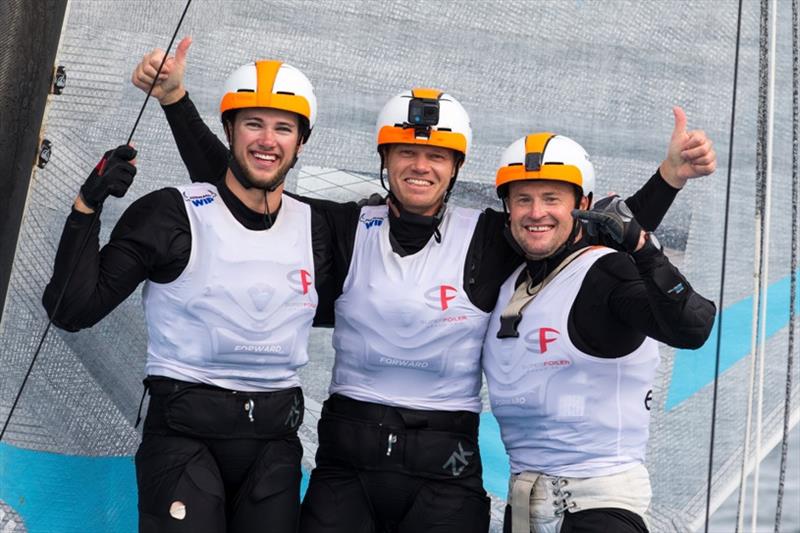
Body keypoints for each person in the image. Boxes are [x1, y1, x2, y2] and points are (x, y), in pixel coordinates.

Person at [131, 39, 716, 533]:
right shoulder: (338, 227)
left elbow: (575, 232)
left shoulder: (492, 236)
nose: (421, 165)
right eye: (407, 152)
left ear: (455, 167)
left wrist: (666, 182)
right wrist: (177, 102)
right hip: (347, 466)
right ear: (386, 160)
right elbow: (240, 189)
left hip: (444, 470)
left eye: (436, 155)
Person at [43, 58, 336, 532]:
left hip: (274, 443)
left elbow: (248, 191)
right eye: (252, 124)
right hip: (182, 436)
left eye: (283, 128)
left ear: (301, 141)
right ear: (228, 130)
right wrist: (87, 206)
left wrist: (175, 100)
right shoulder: (170, 214)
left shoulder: (319, 227)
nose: (267, 139)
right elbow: (72, 310)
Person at [481, 133, 717, 533]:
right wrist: (667, 178)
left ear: (583, 205)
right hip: (522, 509)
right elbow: (593, 232)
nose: (536, 212)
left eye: (552, 198)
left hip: (599, 510)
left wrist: (642, 246)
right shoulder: (512, 275)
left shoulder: (609, 272)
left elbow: (693, 328)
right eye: (523, 199)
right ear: (508, 207)